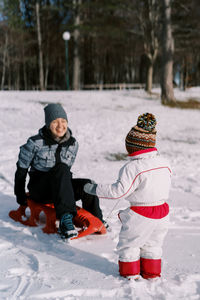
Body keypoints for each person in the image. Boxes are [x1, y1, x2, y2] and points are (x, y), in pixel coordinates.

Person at [84, 113, 172, 279]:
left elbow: (119, 191)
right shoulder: (165, 162)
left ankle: (130, 274)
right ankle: (152, 273)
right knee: (153, 244)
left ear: (133, 146)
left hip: (141, 214)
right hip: (163, 213)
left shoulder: (132, 167)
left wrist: (94, 189)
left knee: (130, 244)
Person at [14, 103, 105, 240]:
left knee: (87, 184)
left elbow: (65, 174)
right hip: (40, 190)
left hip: (59, 188)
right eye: (55, 122)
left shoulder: (73, 144)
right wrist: (20, 195)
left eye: (63, 121)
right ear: (47, 124)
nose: (60, 125)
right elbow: (21, 170)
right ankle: (65, 220)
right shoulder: (34, 143)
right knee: (62, 169)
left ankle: (97, 218)